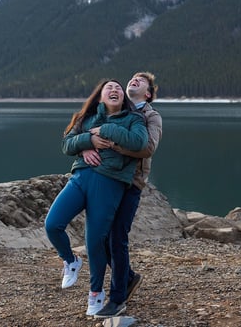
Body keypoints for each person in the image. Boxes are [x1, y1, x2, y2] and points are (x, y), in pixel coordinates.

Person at [44, 79, 149, 316]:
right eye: (109, 87)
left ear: (123, 98)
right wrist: (88, 141)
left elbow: (140, 143)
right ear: (100, 96)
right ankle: (70, 261)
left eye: (118, 88)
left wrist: (105, 130)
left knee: (95, 242)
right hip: (80, 178)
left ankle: (96, 294)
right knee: (52, 224)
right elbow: (65, 144)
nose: (114, 90)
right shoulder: (87, 118)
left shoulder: (134, 119)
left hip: (109, 183)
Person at [83, 72, 162, 318]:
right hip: (108, 179)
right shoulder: (117, 108)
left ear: (148, 93)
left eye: (141, 81)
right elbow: (84, 130)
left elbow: (147, 148)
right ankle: (128, 277)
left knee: (117, 237)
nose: (133, 80)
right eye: (132, 78)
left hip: (131, 184)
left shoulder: (151, 116)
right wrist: (87, 144)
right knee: (101, 236)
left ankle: (118, 299)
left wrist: (111, 142)